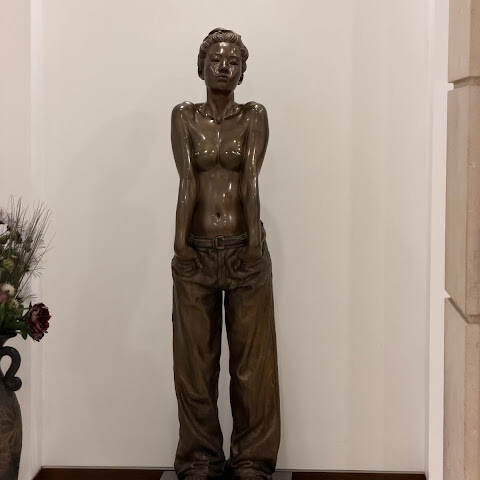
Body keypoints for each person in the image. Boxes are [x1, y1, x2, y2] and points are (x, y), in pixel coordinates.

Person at [171, 28, 280, 480]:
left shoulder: (254, 115)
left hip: (243, 252)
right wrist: (180, 243)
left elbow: (250, 179)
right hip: (196, 253)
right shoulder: (184, 116)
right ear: (201, 66)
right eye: (216, 59)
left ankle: (252, 459)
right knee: (194, 366)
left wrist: (253, 245)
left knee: (252, 367)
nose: (224, 67)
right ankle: (199, 458)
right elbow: (187, 181)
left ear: (243, 70)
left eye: (233, 61)